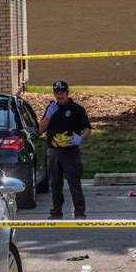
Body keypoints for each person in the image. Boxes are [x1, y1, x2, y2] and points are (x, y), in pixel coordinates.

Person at [40, 80, 91, 219]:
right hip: (53, 152)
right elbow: (41, 128)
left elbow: (87, 129)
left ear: (67, 93)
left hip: (70, 152)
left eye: (62, 93)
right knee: (55, 184)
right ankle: (56, 212)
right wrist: (48, 116)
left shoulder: (77, 109)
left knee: (74, 183)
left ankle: (79, 212)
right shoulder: (51, 108)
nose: (59, 96)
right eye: (57, 93)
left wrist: (80, 138)